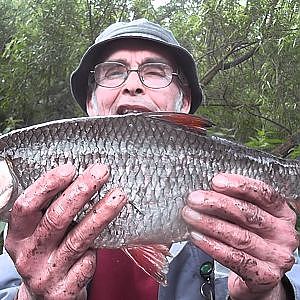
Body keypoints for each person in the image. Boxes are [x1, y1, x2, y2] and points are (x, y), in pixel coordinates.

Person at [0, 18, 299, 300]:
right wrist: (30, 294)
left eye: (155, 71)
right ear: (91, 104)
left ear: (184, 104)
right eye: (113, 71)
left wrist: (270, 293)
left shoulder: (257, 224)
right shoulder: (22, 239)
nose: (132, 84)